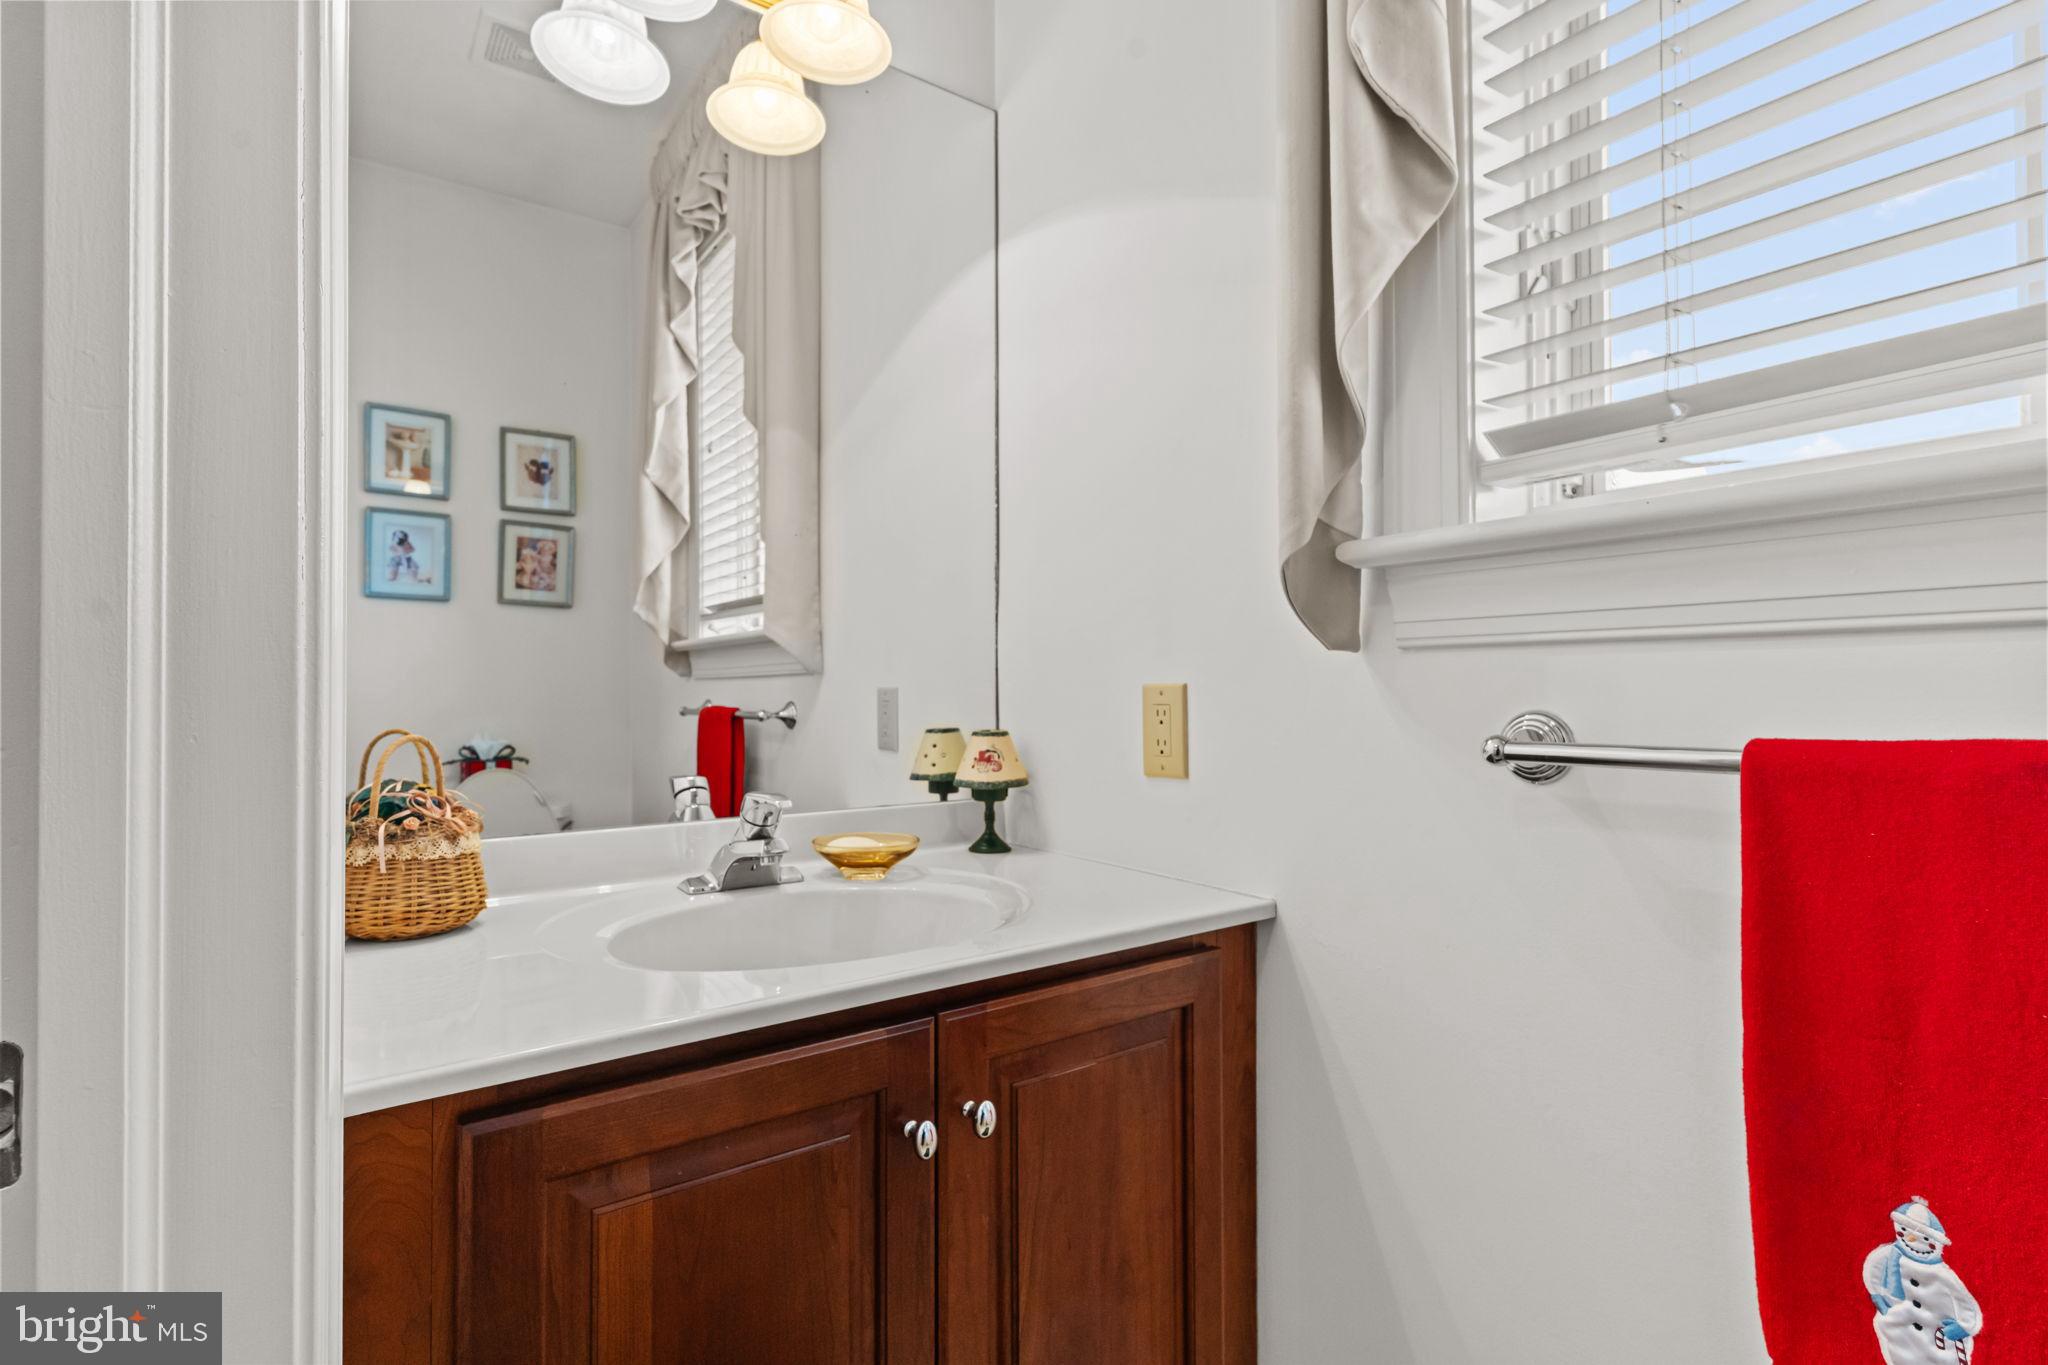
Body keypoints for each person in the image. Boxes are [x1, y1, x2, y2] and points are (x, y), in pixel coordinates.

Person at [1863, 1196, 1982, 1363]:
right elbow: (1873, 1270)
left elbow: (1963, 1301)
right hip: (1901, 1335)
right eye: (1905, 1233)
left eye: (1925, 1238)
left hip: (1937, 1338)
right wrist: (1879, 1298)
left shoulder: (1942, 1275)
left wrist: (1963, 1327)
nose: (1911, 1240)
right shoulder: (1889, 1256)